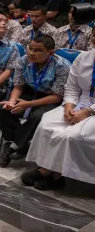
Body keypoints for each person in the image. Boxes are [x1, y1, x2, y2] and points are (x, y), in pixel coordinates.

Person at [23, 29, 95, 190]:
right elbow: (72, 86)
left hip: (92, 109)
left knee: (73, 135)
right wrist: (69, 106)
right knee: (46, 123)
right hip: (78, 102)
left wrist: (87, 112)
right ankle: (47, 167)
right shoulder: (84, 57)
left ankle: (53, 173)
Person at [0, 34, 70, 168]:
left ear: (51, 52)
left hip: (49, 97)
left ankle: (12, 147)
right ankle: (20, 144)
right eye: (30, 48)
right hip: (29, 91)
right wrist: (12, 101)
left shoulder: (62, 66)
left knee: (38, 116)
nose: (31, 53)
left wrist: (28, 105)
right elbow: (18, 87)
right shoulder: (23, 60)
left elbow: (57, 96)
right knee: (3, 108)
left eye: (38, 50)